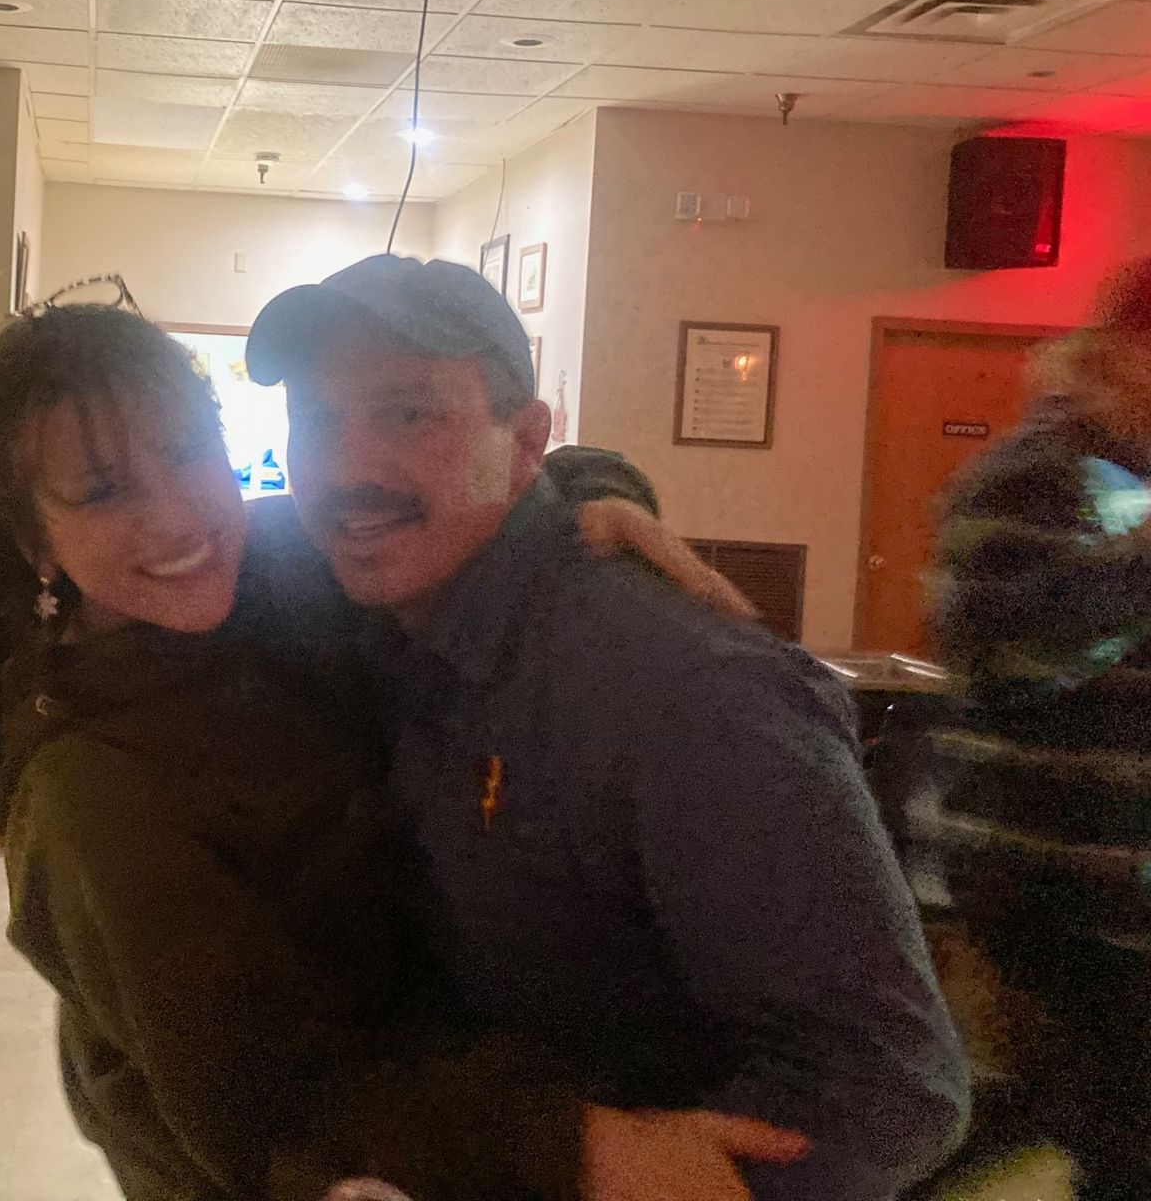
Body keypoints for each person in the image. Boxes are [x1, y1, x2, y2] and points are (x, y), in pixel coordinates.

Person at [0, 296, 811, 1201]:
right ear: (35, 540)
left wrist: (592, 500)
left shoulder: (273, 571)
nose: (175, 518)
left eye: (186, 452)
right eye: (107, 492)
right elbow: (268, 1099)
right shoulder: (88, 792)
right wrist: (578, 1147)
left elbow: (464, 492)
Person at [245, 255, 971, 1200]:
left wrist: (611, 1168)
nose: (349, 470)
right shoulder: (385, 622)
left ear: (525, 439)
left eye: (408, 413)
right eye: (316, 420)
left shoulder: (685, 694)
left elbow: (888, 1087)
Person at [922, 256, 1151, 1199]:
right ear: (1127, 349)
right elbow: (1009, 652)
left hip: (1119, 911)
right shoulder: (1028, 478)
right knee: (1045, 1144)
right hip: (1053, 904)